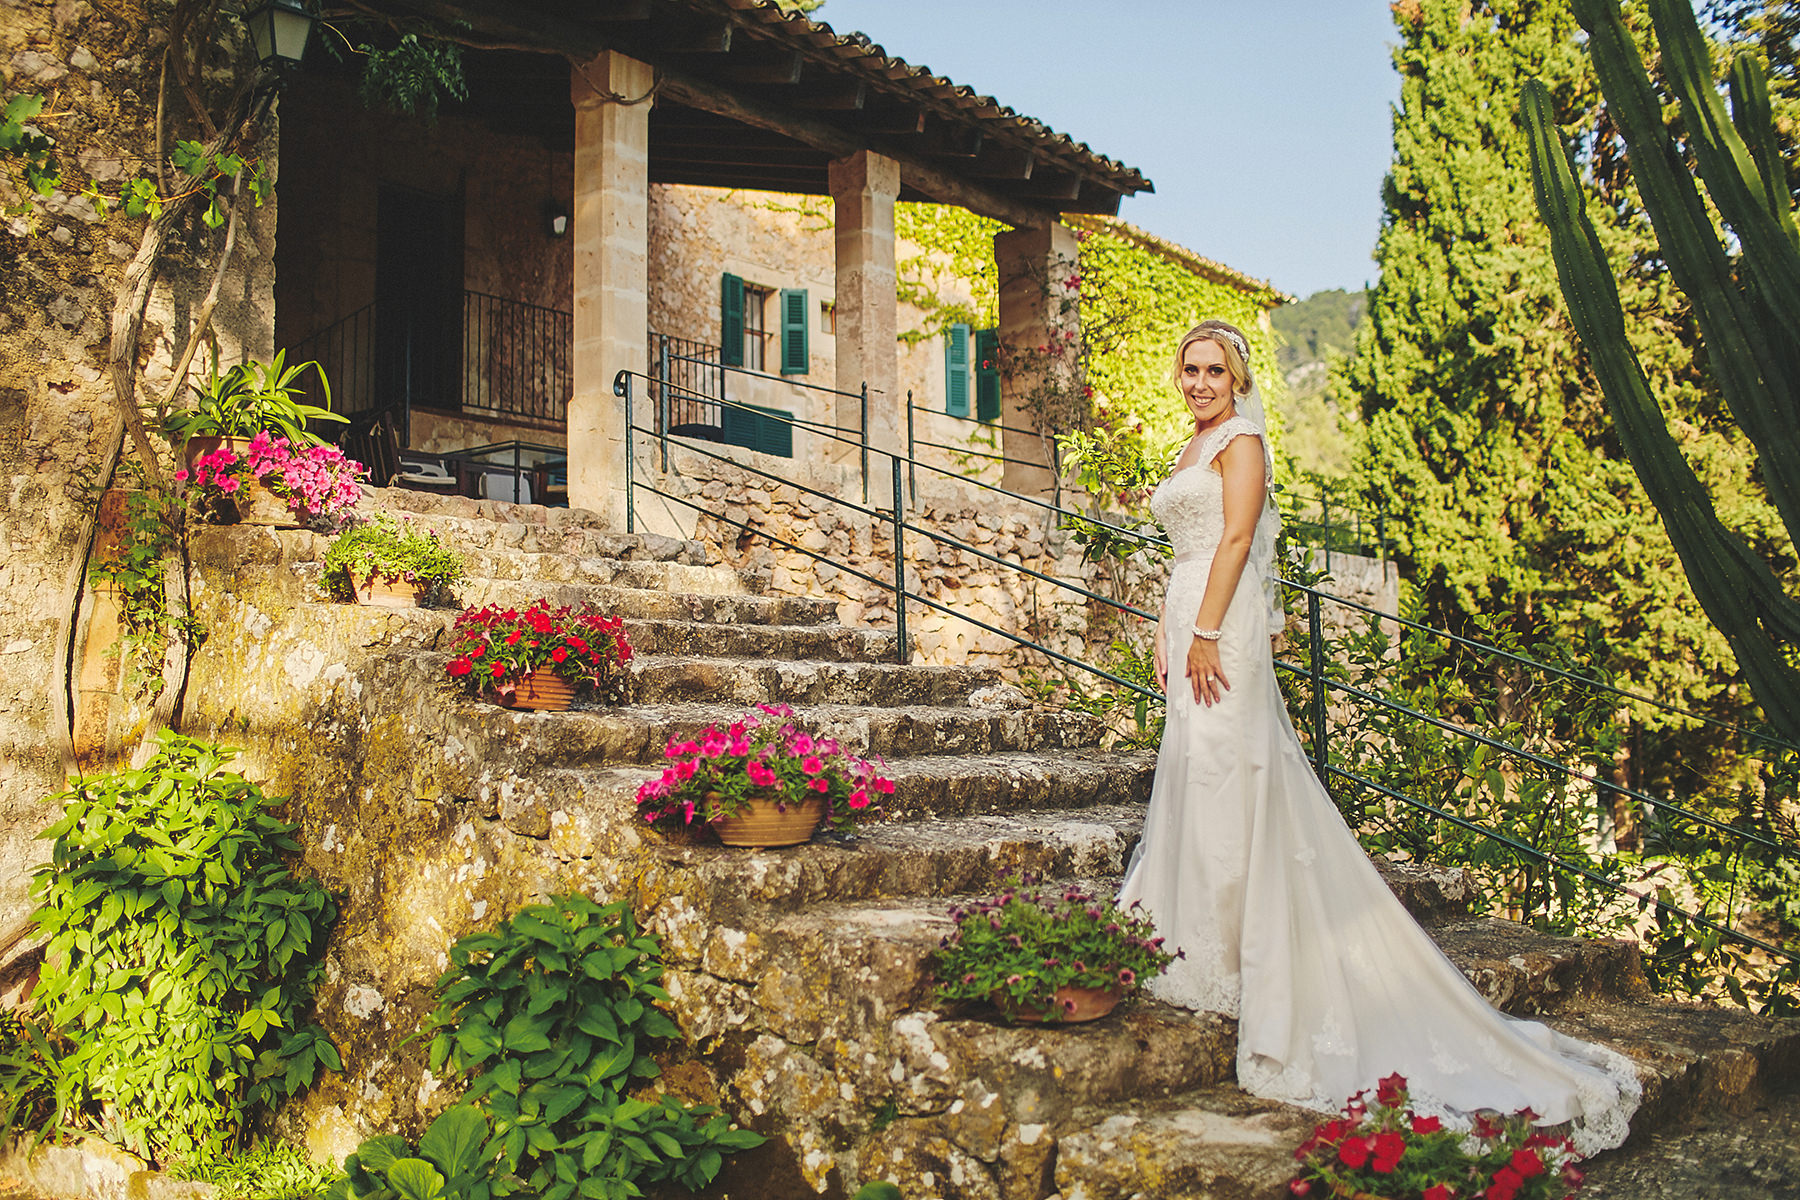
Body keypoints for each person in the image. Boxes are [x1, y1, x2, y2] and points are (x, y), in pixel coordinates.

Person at [1116, 319, 1640, 1154]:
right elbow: (1185, 550)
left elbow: (1240, 541)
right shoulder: (1191, 444)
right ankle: (1199, 946)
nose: (1202, 382)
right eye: (1191, 369)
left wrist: (1208, 632)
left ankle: (1249, 956)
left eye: (1216, 370)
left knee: (1229, 772)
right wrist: (1169, 633)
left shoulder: (1243, 441)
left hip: (1224, 624)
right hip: (1189, 616)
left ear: (1238, 377)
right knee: (1194, 768)